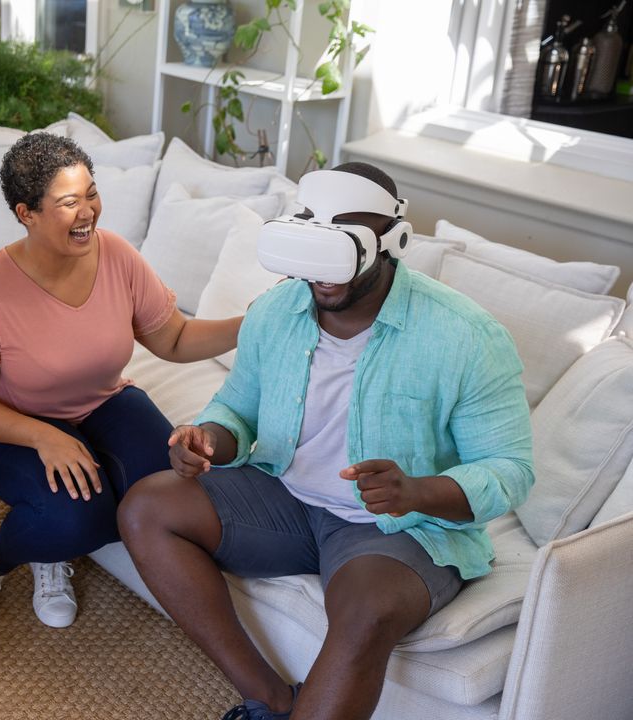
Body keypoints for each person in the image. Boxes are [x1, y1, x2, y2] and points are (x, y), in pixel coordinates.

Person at [117, 162, 534, 720]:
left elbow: (510, 468)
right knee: (146, 506)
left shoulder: (466, 336)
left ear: (392, 242)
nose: (323, 273)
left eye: (343, 246)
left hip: (394, 528)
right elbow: (236, 409)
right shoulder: (276, 309)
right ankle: (270, 699)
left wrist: (417, 491)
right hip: (287, 499)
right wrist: (207, 439)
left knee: (366, 610)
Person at [0, 132, 245, 640]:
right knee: (79, 519)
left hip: (103, 403)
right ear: (26, 213)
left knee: (166, 493)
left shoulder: (118, 256)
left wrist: (250, 324)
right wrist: (44, 436)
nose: (88, 213)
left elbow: (174, 338)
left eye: (92, 194)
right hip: (14, 425)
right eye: (68, 203)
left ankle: (49, 543)